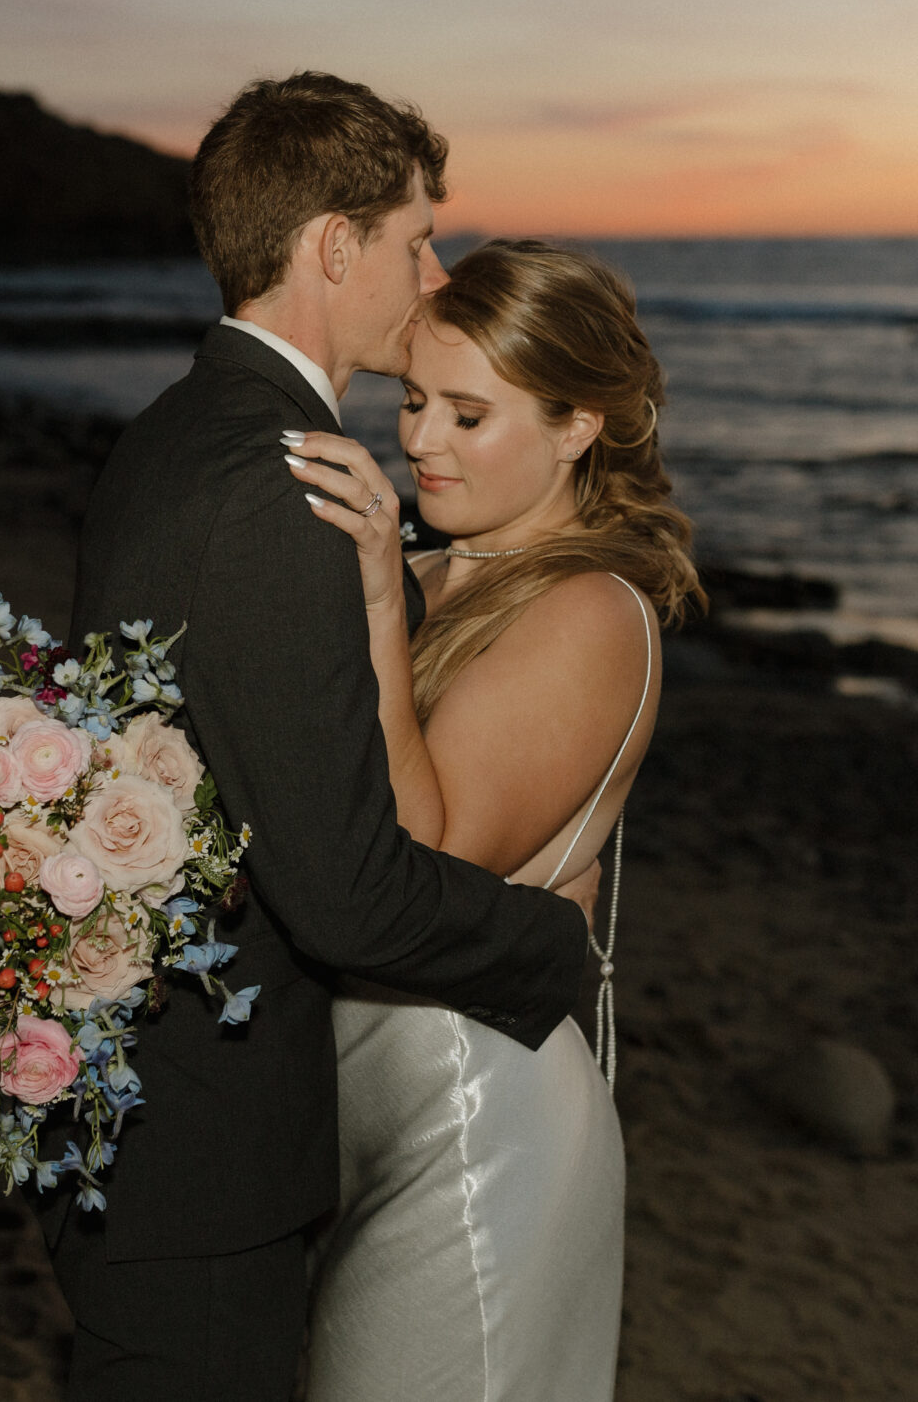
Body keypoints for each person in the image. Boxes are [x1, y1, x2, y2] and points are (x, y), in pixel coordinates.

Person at [51, 75, 593, 1402]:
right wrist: (554, 942)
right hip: (200, 1139)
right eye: (418, 240)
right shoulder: (273, 480)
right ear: (335, 246)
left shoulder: (177, 431)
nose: (437, 272)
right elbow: (345, 894)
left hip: (136, 1100)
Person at [290, 238, 702, 1401]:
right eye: (415, 401)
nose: (417, 440)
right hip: (356, 1111)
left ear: (579, 426)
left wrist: (373, 596)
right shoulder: (425, 576)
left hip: (478, 1118)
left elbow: (419, 862)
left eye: (469, 415)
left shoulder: (592, 612)